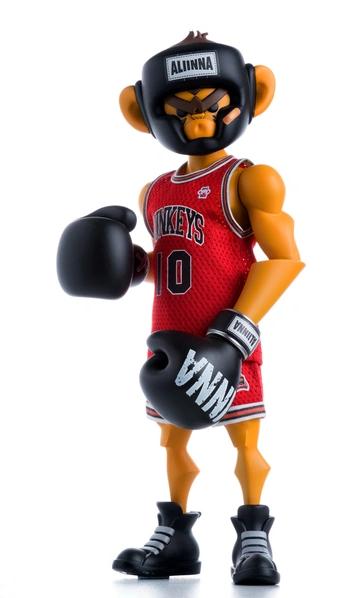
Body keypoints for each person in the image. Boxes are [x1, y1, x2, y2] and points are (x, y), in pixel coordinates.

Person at [57, 31, 305, 585]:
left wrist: (234, 337)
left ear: (253, 95)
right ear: (143, 114)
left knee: (244, 439)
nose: (198, 119)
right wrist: (129, 265)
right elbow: (173, 259)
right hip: (168, 334)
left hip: (227, 338)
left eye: (213, 104)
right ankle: (176, 536)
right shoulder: (154, 192)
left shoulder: (249, 179)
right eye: (181, 108)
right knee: (172, 438)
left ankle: (253, 535)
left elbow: (284, 259)